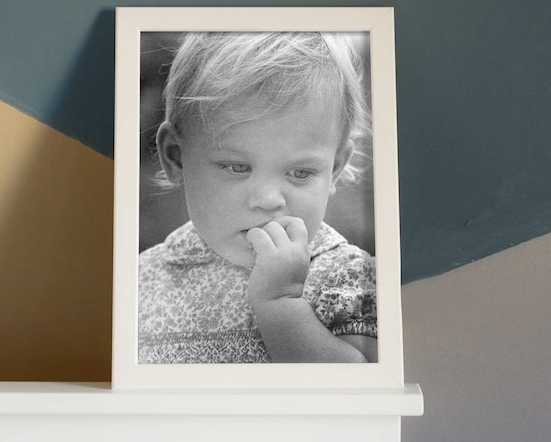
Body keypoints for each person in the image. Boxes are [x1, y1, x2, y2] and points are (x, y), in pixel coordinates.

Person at [138, 32, 377, 364]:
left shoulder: (346, 275)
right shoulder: (142, 277)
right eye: (237, 167)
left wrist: (280, 304)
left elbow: (363, 395)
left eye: (301, 173)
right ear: (176, 156)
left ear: (335, 168)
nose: (268, 200)